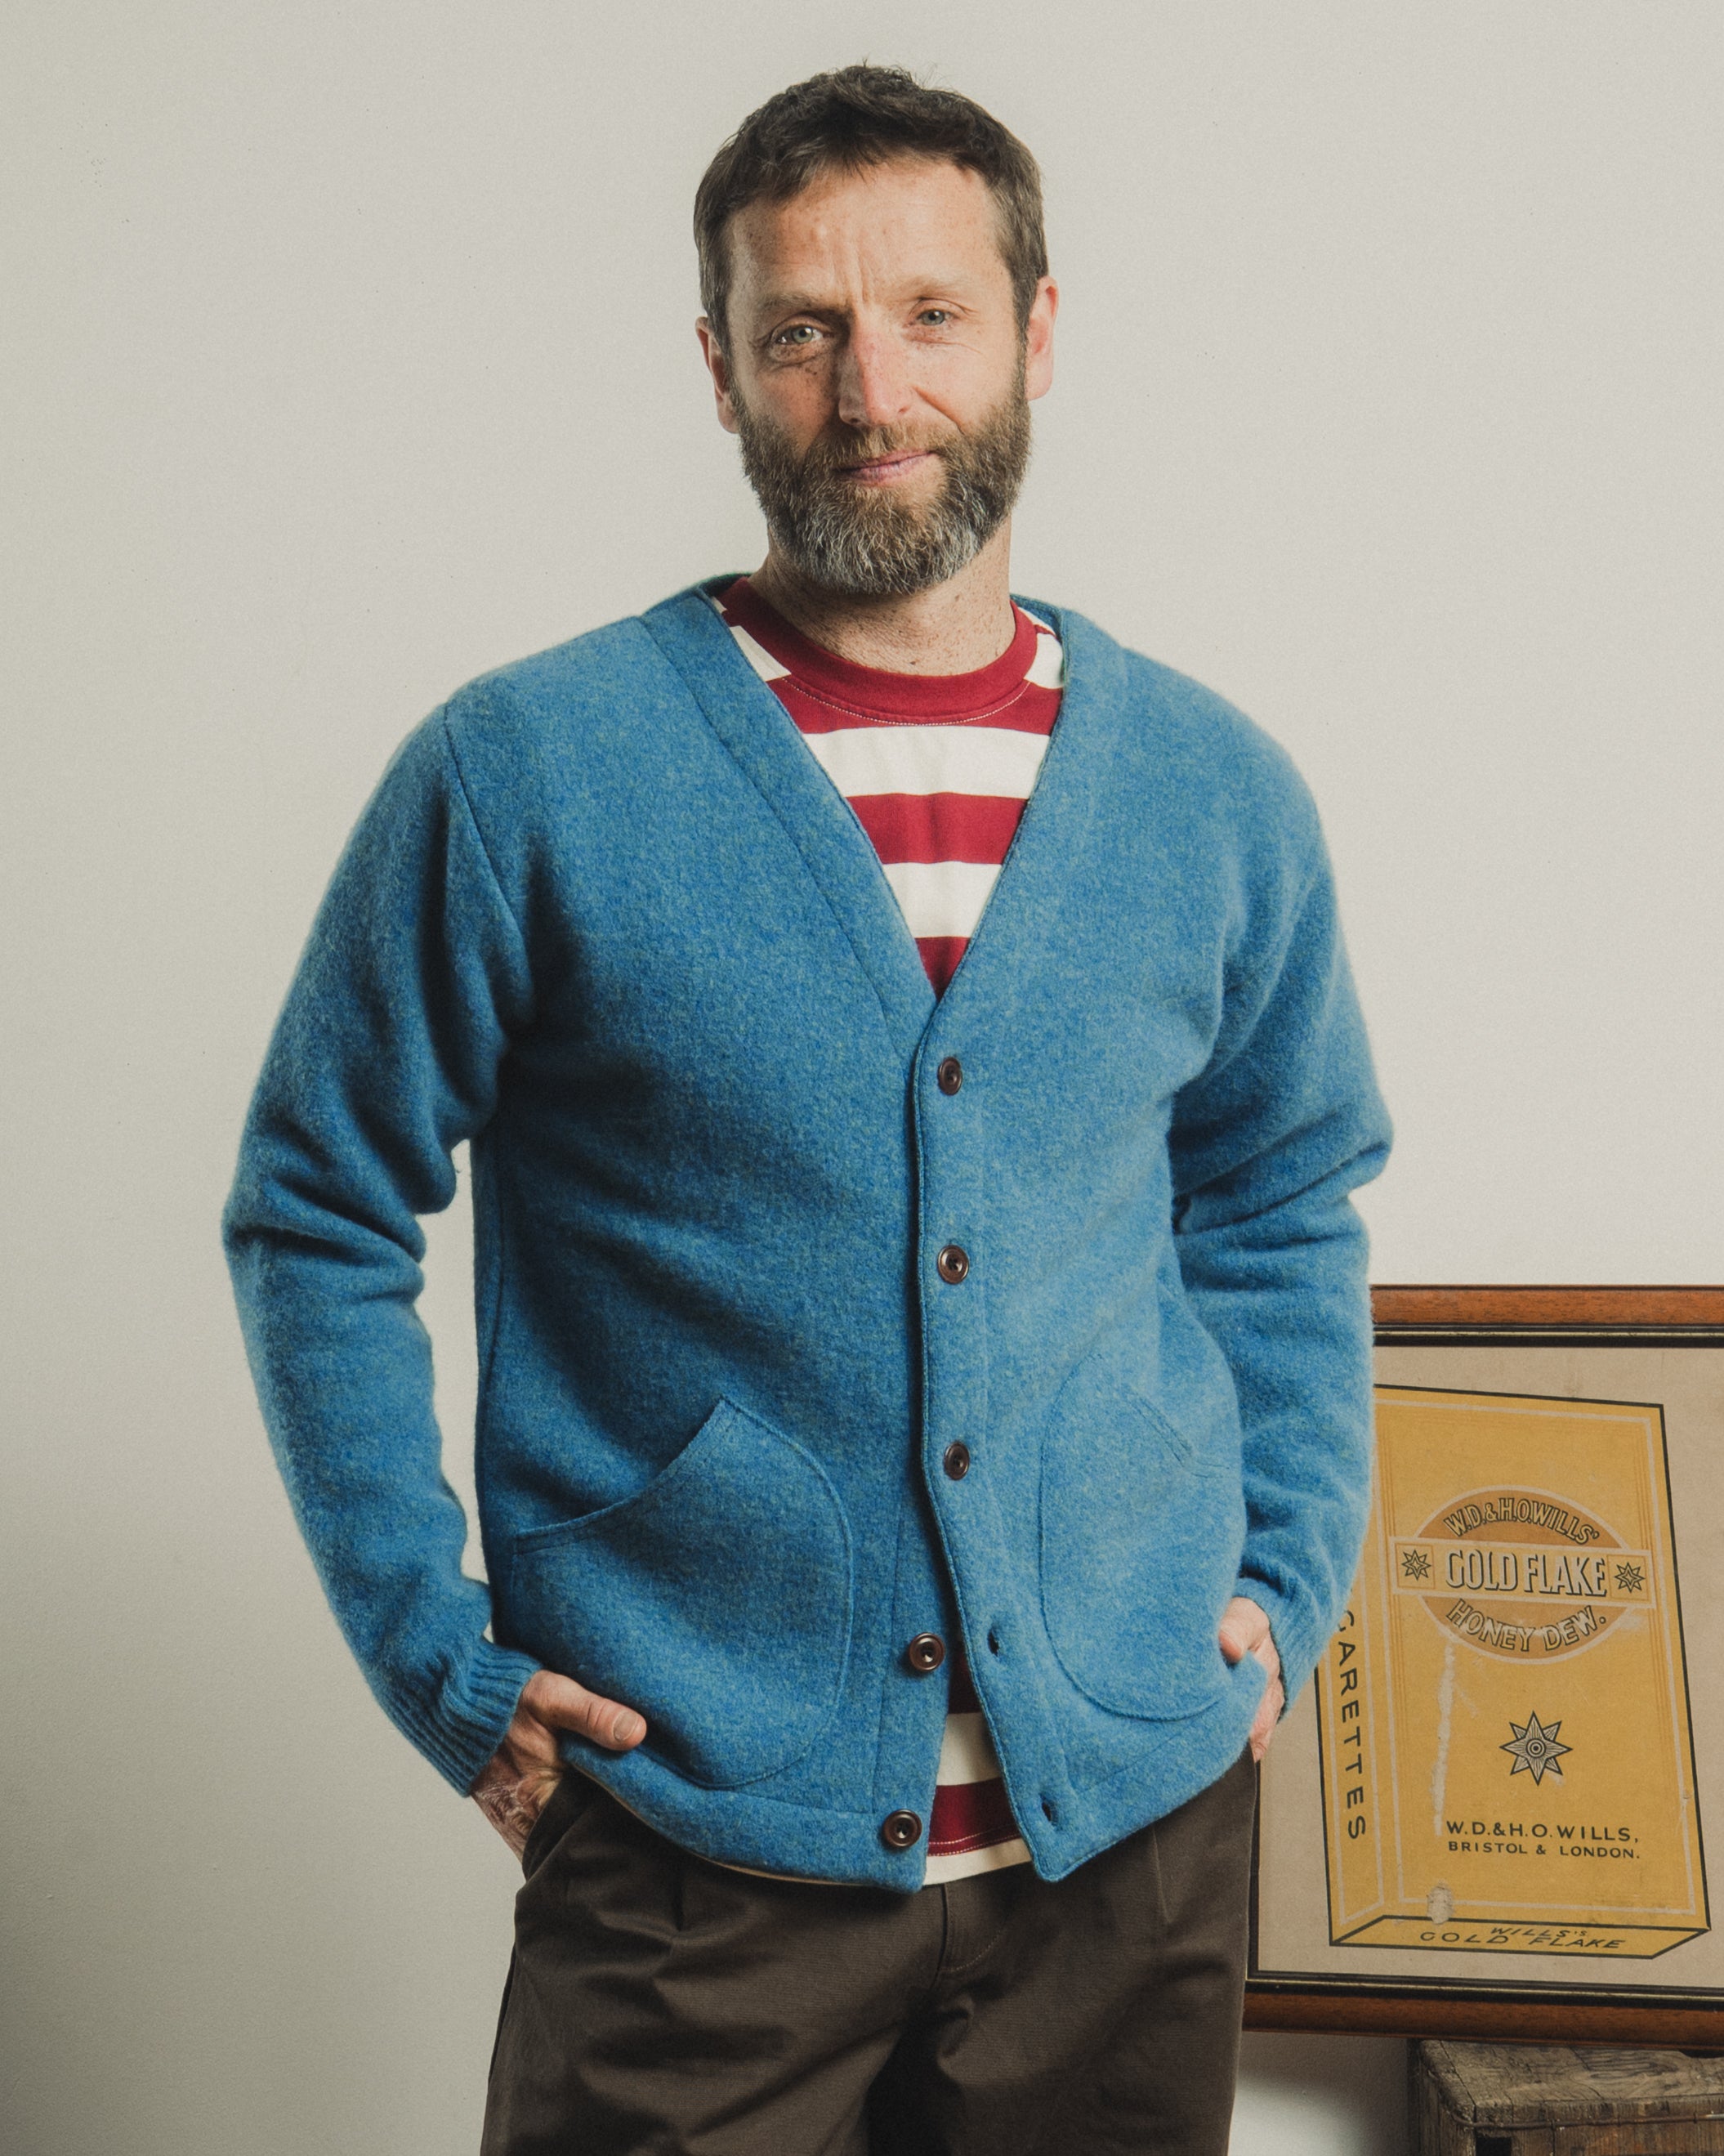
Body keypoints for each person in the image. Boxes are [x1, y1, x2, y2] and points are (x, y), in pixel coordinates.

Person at [224, 63, 1391, 2156]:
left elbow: (1281, 1194)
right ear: (719, 366)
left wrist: (1286, 1572)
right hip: (692, 1852)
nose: (872, 390)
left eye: (930, 315)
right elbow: (316, 1209)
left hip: (1120, 1852)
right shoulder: (525, 773)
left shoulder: (1214, 791)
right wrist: (436, 1649)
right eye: (802, 331)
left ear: (1038, 329)